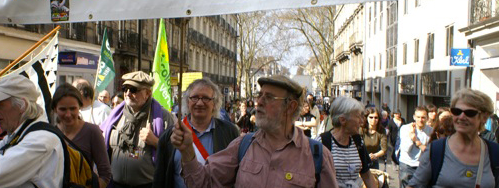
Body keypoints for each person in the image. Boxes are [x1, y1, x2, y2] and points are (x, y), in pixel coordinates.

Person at [170, 75, 338, 187]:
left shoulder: (317, 156)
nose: (259, 102)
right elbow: (202, 182)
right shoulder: (242, 146)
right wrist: (187, 151)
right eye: (260, 95)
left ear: (291, 106)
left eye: (269, 97)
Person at [153, 78, 239, 188]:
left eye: (206, 98)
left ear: (215, 103)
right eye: (194, 98)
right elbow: (160, 177)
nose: (199, 103)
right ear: (187, 102)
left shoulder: (230, 132)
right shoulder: (171, 135)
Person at [408, 89, 499, 188]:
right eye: (457, 111)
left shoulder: (494, 152)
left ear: (484, 117)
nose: (461, 117)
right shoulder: (436, 150)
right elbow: (414, 185)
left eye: (470, 113)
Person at [99, 71, 176, 188]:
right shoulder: (115, 116)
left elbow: (175, 154)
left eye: (134, 90)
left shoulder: (163, 118)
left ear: (148, 93)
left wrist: (156, 142)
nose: (128, 93)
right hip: (114, 184)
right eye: (125, 89)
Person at [51, 83, 111, 188]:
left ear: (80, 107)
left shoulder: (92, 131)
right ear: (55, 109)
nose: (68, 114)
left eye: (73, 108)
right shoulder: (50, 134)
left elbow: (105, 174)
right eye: (63, 109)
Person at [316, 97, 377, 188]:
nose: (361, 121)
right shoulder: (322, 142)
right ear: (343, 120)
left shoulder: (357, 141)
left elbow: (366, 174)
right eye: (358, 117)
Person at [397, 106, 432, 188]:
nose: (420, 120)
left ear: (427, 118)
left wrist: (416, 140)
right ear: (414, 117)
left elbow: (429, 151)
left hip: (421, 165)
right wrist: (411, 136)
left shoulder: (431, 131)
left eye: (423, 117)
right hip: (407, 164)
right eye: (418, 117)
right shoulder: (405, 128)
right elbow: (405, 149)